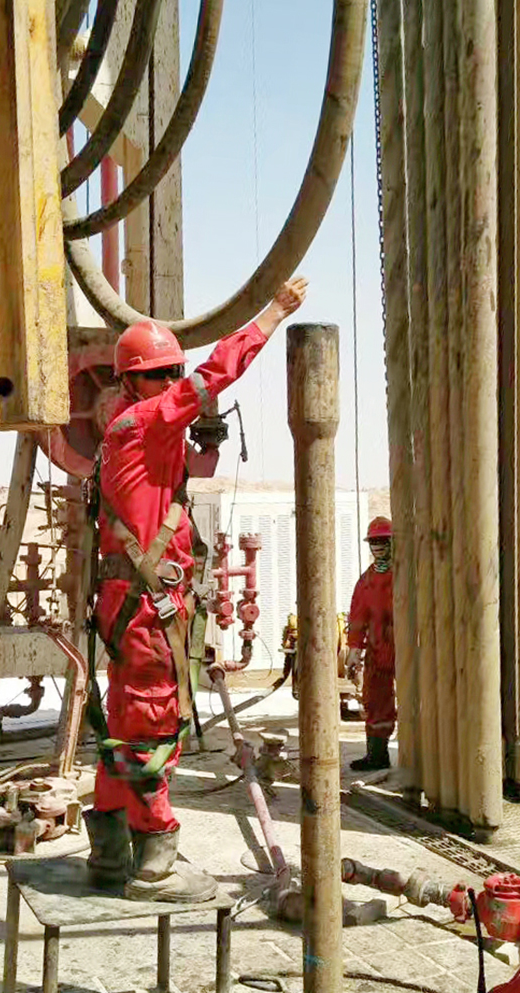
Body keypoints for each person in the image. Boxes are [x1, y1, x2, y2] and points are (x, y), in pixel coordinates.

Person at [86, 277, 308, 902]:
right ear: (133, 383)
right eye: (158, 375)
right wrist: (272, 315)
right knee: (152, 724)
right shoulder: (146, 421)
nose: (169, 384)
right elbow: (214, 377)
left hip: (131, 607)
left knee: (125, 721)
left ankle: (109, 852)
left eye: (171, 374)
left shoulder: (132, 433)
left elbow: (190, 473)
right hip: (145, 612)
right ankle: (156, 864)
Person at [346, 515, 395, 771]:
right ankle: (377, 755)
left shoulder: (407, 574)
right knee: (375, 700)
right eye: (374, 542)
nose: (378, 547)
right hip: (379, 649)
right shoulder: (366, 581)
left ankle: (423, 756)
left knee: (419, 701)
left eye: (383, 541)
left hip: (408, 648)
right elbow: (357, 617)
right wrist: (354, 650)